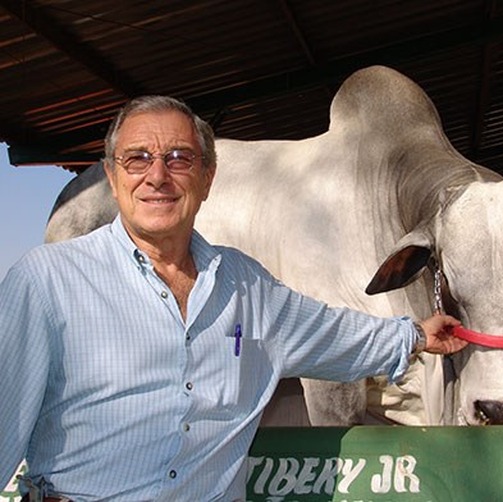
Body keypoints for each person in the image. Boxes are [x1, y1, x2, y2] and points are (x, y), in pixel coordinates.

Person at [0, 96, 467, 501]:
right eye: (137, 158)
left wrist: (415, 336)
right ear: (111, 175)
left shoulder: (246, 286)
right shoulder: (46, 282)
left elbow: (329, 332)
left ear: (207, 179)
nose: (157, 176)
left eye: (179, 158)